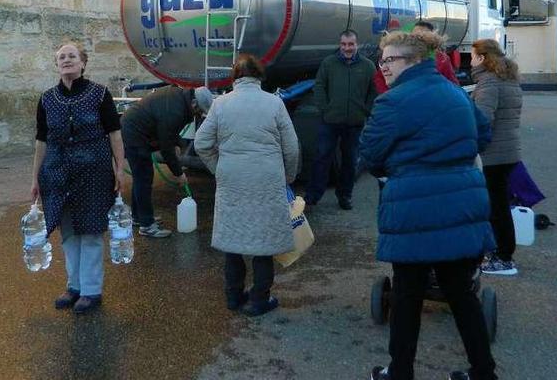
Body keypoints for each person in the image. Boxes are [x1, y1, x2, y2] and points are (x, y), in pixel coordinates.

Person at [360, 31, 497, 380]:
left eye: (389, 60)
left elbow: (370, 154)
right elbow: (483, 135)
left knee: (407, 297)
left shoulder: (393, 101)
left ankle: (400, 372)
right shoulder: (455, 92)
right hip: (463, 202)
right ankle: (483, 372)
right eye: (382, 60)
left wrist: (402, 165)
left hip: (415, 209)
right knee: (462, 295)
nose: (383, 67)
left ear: (411, 60)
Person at [194, 55, 300, 317]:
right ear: (259, 76)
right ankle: (259, 300)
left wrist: (218, 168)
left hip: (232, 178)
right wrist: (287, 177)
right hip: (266, 177)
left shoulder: (220, 104)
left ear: (235, 77)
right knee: (263, 245)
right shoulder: (274, 103)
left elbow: (201, 143)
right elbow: (292, 148)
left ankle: (233, 297)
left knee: (234, 243)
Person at [30, 43, 126, 314]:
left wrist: (120, 169)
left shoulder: (100, 94)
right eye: (61, 57)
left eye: (72, 56)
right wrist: (35, 178)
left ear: (83, 63)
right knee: (69, 232)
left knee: (92, 231)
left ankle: (92, 290)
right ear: (56, 64)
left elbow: (115, 134)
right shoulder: (47, 99)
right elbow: (41, 140)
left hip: (93, 172)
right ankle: (74, 286)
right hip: (57, 173)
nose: (66, 60)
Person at [121, 84, 213, 237]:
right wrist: (178, 173)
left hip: (138, 130)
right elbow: (165, 147)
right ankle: (147, 225)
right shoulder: (176, 110)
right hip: (134, 133)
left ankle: (139, 217)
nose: (198, 115)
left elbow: (168, 131)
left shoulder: (180, 99)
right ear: (194, 103)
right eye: (198, 111)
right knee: (143, 177)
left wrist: (178, 144)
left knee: (141, 178)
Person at [305, 29, 377, 210]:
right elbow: (319, 86)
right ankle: (313, 195)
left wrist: (365, 111)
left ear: (357, 44)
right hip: (330, 121)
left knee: (350, 161)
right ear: (340, 45)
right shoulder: (329, 63)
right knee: (322, 157)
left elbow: (373, 91)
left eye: (351, 44)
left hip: (355, 123)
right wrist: (325, 109)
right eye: (344, 44)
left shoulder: (368, 66)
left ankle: (345, 196)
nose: (347, 48)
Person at [471, 38, 523, 276]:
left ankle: (503, 257)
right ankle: (501, 253)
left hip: (493, 154)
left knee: (496, 207)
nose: (470, 61)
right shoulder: (508, 78)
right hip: (508, 150)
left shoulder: (489, 82)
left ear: (482, 58)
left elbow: (482, 120)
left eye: (472, 56)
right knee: (499, 204)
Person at [372, 21, 459, 93]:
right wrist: (390, 93)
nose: (417, 39)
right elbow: (380, 77)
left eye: (421, 36)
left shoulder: (442, 59)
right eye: (414, 36)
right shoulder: (401, 55)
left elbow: (452, 83)